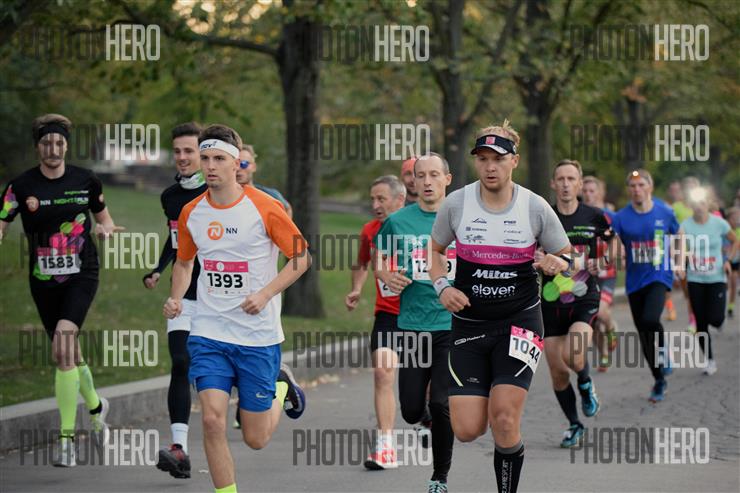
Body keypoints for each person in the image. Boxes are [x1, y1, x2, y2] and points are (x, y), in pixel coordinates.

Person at [163, 124, 310, 493]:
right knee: (212, 420)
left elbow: (301, 257)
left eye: (219, 158)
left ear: (236, 163)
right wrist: (177, 297)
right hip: (209, 331)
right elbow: (184, 262)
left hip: (257, 335)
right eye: (205, 158)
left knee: (255, 438)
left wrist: (265, 294)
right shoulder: (192, 212)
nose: (210, 166)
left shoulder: (266, 207)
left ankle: (280, 388)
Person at [429, 122, 570, 493]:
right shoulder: (456, 203)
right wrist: (443, 286)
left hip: (519, 322)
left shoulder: (534, 206)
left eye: (498, 159)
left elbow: (567, 255)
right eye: (483, 159)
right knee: (467, 429)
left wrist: (557, 262)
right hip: (469, 326)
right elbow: (435, 251)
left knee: (504, 419)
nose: (490, 167)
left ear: (514, 161)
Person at [0, 113, 123, 466]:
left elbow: (104, 217)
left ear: (66, 146)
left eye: (58, 142)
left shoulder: (86, 180)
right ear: (38, 147)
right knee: (70, 354)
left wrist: (105, 229)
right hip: (43, 279)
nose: (52, 148)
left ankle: (66, 440)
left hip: (82, 273)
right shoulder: (20, 186)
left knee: (62, 348)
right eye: (46, 143)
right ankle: (97, 408)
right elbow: (2, 221)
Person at [376, 154, 456, 492]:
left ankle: (440, 476)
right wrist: (386, 275)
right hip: (411, 325)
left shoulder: (462, 219)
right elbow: (380, 259)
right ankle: (423, 420)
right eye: (420, 175)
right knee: (411, 409)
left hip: (451, 325)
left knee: (441, 402)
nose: (426, 182)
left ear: (447, 179)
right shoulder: (398, 221)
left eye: (434, 175)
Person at [142, 122, 206, 478]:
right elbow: (176, 239)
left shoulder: (219, 193)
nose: (182, 157)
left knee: (228, 369)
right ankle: (179, 448)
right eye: (178, 151)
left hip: (221, 296)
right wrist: (157, 268)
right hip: (183, 293)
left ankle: (276, 379)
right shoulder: (169, 196)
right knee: (180, 361)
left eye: (189, 151)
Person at [540, 161, 610, 448]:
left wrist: (600, 261)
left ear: (580, 184)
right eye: (561, 179)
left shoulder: (595, 216)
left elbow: (614, 251)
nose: (566, 184)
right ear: (553, 184)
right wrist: (537, 260)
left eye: (571, 179)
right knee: (557, 372)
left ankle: (585, 382)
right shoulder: (544, 216)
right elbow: (530, 253)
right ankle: (574, 424)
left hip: (584, 297)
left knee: (574, 356)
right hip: (551, 301)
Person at [344, 175, 406, 469]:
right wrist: (356, 288)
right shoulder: (370, 230)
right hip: (388, 315)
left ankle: (428, 419)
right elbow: (361, 263)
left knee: (425, 389)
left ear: (399, 200)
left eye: (381, 198)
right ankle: (385, 446)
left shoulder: (418, 226)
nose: (375, 205)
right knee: (382, 372)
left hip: (425, 317)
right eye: (372, 199)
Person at [611, 170, 679, 403]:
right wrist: (614, 255)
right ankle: (659, 380)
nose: (636, 189)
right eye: (632, 186)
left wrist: (679, 261)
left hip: (659, 275)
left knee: (651, 319)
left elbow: (678, 234)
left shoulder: (665, 212)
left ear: (650, 187)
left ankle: (664, 352)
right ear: (628, 190)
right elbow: (613, 243)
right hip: (634, 281)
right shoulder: (621, 217)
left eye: (641, 185)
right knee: (644, 335)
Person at [679, 187, 738, 375]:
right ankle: (709, 360)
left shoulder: (719, 223)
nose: (699, 207)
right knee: (701, 322)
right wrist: (680, 264)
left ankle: (720, 321)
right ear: (691, 206)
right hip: (695, 279)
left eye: (702, 203)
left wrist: (728, 260)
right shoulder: (685, 225)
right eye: (695, 204)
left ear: (708, 204)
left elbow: (735, 240)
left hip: (716, 277)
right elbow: (680, 248)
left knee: (716, 318)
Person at [582, 176, 618, 371]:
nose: (588, 195)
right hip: (587, 275)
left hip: (607, 273)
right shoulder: (578, 216)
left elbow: (618, 240)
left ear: (599, 193)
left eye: (592, 191)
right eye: (585, 191)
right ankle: (603, 354)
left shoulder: (608, 215)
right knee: (594, 322)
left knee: (602, 312)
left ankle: (611, 328)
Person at [235, 144, 292, 217]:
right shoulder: (223, 196)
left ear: (254, 167)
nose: (239, 169)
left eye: (244, 164)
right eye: (236, 164)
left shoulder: (270, 194)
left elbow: (287, 208)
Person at [726, 207, 740, 318]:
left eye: (737, 218)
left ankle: (730, 306)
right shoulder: (724, 230)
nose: (736, 220)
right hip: (724, 261)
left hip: (735, 261)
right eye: (733, 218)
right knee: (726, 284)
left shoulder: (739, 231)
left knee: (734, 283)